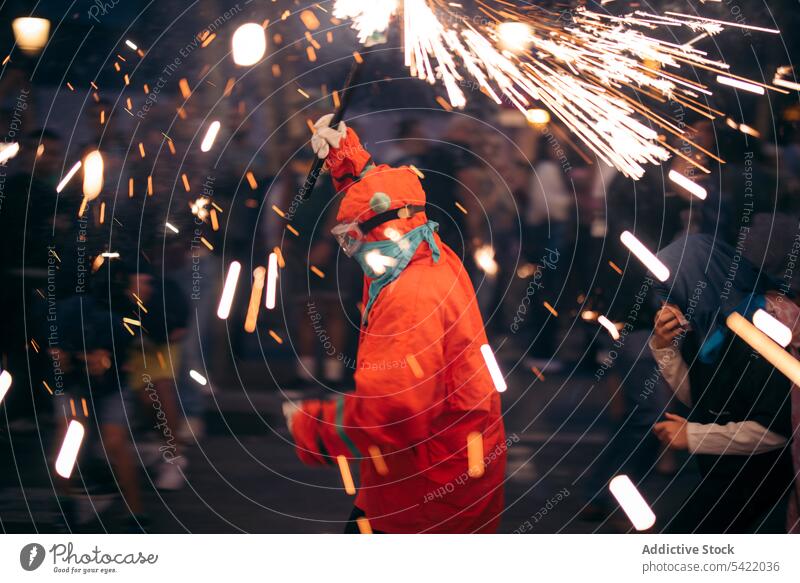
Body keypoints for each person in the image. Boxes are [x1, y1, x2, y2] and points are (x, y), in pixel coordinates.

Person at [285, 114, 506, 533]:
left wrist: (313, 429)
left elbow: (395, 413)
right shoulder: (428, 249)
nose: (352, 250)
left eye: (353, 238)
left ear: (381, 232)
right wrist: (345, 156)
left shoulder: (410, 297)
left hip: (423, 497)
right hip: (438, 475)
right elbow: (386, 195)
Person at [649, 234, 795, 533]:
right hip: (733, 468)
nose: (666, 305)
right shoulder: (711, 327)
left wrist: (694, 435)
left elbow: (778, 428)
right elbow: (702, 398)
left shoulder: (761, 330)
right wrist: (664, 346)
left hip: (764, 475)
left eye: (671, 292)